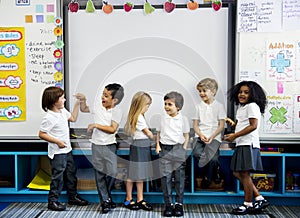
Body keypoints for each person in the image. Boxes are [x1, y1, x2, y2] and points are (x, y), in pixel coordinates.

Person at [76, 83, 124, 214]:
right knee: (99, 174)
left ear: (115, 100)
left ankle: (106, 197)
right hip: (97, 145)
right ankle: (105, 201)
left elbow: (112, 129)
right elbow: (84, 109)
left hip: (110, 145)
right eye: (103, 94)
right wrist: (83, 101)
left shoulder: (117, 111)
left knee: (112, 172)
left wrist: (95, 125)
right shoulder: (97, 107)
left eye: (106, 95)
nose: (103, 97)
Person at [39, 86, 89, 211]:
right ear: (54, 101)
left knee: (71, 174)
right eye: (62, 98)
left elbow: (73, 118)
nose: (65, 100)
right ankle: (52, 201)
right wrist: (57, 142)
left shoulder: (62, 112)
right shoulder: (49, 117)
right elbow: (42, 134)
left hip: (67, 151)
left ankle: (72, 197)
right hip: (57, 153)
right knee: (58, 177)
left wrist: (78, 103)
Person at [224, 81, 270, 215]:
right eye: (240, 92)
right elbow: (241, 125)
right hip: (241, 143)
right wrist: (232, 125)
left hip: (248, 143)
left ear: (253, 95)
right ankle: (259, 198)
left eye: (246, 92)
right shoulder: (242, 108)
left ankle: (247, 204)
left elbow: (253, 125)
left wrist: (234, 136)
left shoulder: (252, 106)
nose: (242, 94)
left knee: (244, 174)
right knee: (238, 173)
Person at [156, 91, 189, 217]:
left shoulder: (183, 119)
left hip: (178, 149)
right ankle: (168, 204)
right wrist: (158, 145)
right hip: (165, 149)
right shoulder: (162, 118)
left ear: (178, 107)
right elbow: (158, 133)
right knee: (166, 178)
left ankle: (179, 204)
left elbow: (186, 135)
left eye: (170, 104)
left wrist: (184, 148)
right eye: (165, 104)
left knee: (180, 178)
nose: (166, 107)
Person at [192, 78, 226, 188]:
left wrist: (212, 136)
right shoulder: (198, 107)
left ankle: (208, 177)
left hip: (214, 137)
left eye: (204, 91)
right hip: (199, 136)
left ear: (213, 91)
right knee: (197, 154)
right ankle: (211, 174)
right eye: (200, 91)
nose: (201, 93)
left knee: (214, 159)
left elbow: (221, 125)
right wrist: (201, 135)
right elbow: (195, 125)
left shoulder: (219, 106)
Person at [123, 91, 154, 211]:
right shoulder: (139, 118)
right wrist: (157, 137)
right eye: (147, 105)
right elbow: (148, 133)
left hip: (143, 146)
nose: (148, 108)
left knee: (140, 175)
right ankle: (128, 198)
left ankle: (139, 199)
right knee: (133, 174)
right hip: (139, 146)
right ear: (141, 105)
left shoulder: (139, 116)